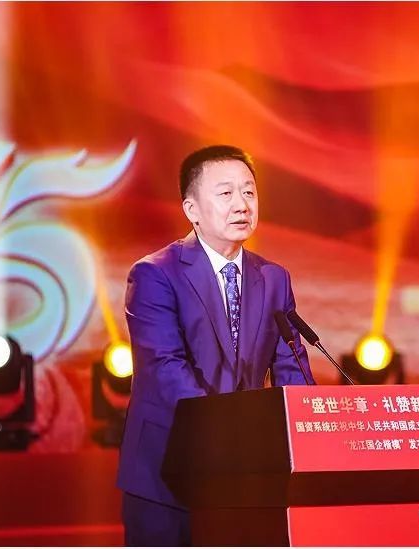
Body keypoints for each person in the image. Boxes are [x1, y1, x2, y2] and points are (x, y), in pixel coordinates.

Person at [117, 145, 314, 546]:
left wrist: (309, 425)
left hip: (247, 475)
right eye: (226, 193)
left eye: (249, 192)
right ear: (191, 209)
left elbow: (291, 367)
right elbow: (165, 369)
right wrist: (231, 435)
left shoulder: (274, 278)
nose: (242, 204)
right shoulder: (155, 274)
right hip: (168, 472)